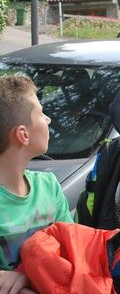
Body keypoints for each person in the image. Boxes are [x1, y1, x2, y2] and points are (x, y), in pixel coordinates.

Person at [0, 75, 73, 294]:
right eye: (41, 113)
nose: (48, 119)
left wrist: (25, 273)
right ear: (23, 135)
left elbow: (72, 249)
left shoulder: (48, 185)